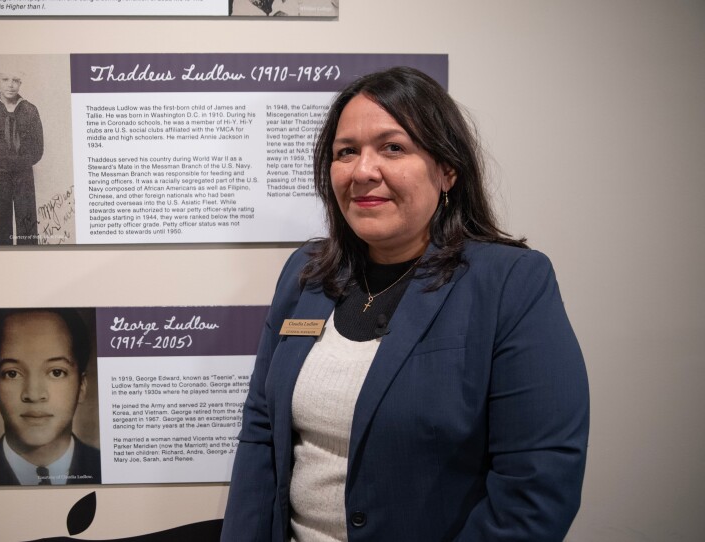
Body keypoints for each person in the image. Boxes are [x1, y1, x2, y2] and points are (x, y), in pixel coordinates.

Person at [221, 67, 589, 541]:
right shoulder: (305, 273)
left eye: (393, 148)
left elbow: (537, 485)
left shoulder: (510, 283)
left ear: (447, 169)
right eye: (345, 152)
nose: (362, 171)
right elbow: (261, 431)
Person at [0, 308, 100, 486]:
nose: (34, 395)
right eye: (12, 374)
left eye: (56, 372)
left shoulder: (109, 470)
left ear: (81, 386)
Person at [0, 70, 43, 245]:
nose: (10, 85)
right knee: (0, 225)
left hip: (23, 176)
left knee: (27, 226)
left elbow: (38, 145)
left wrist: (23, 163)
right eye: (5, 80)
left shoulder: (30, 110)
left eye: (16, 80)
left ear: (21, 83)